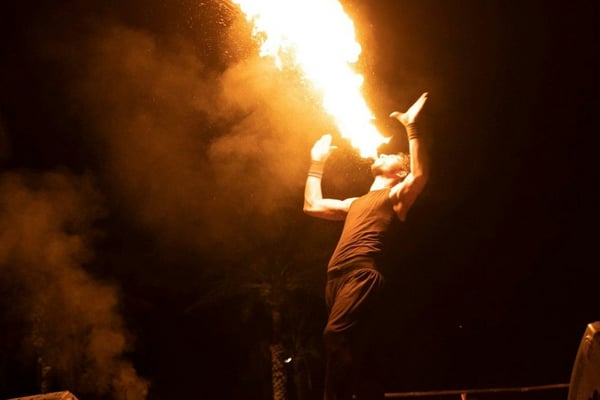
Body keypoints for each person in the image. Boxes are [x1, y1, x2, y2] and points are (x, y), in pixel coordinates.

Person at [303, 92, 429, 400]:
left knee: (335, 335)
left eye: (391, 156)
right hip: (335, 279)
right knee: (345, 350)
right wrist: (317, 162)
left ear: (400, 172)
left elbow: (420, 175)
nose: (381, 154)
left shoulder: (396, 196)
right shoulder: (354, 202)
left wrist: (411, 127)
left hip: (362, 275)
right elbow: (312, 205)